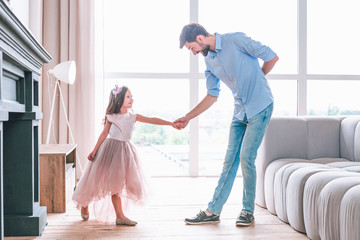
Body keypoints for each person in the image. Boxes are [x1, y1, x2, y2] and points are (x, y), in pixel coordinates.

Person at [176, 23, 279, 226]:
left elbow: (271, 56)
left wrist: (259, 77)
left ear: (199, 38)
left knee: (246, 157)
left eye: (191, 48)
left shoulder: (236, 40)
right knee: (229, 161)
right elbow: (212, 96)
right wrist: (188, 117)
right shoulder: (209, 62)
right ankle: (212, 210)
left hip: (260, 106)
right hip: (240, 111)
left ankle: (247, 211)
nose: (194, 53)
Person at [72, 85, 177, 226]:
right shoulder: (111, 116)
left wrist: (170, 123)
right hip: (108, 151)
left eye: (131, 96)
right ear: (119, 100)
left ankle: (120, 216)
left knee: (117, 185)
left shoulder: (134, 117)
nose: (131, 99)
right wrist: (94, 150)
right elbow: (104, 134)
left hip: (125, 152)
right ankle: (85, 203)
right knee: (96, 180)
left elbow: (152, 120)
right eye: (128, 97)